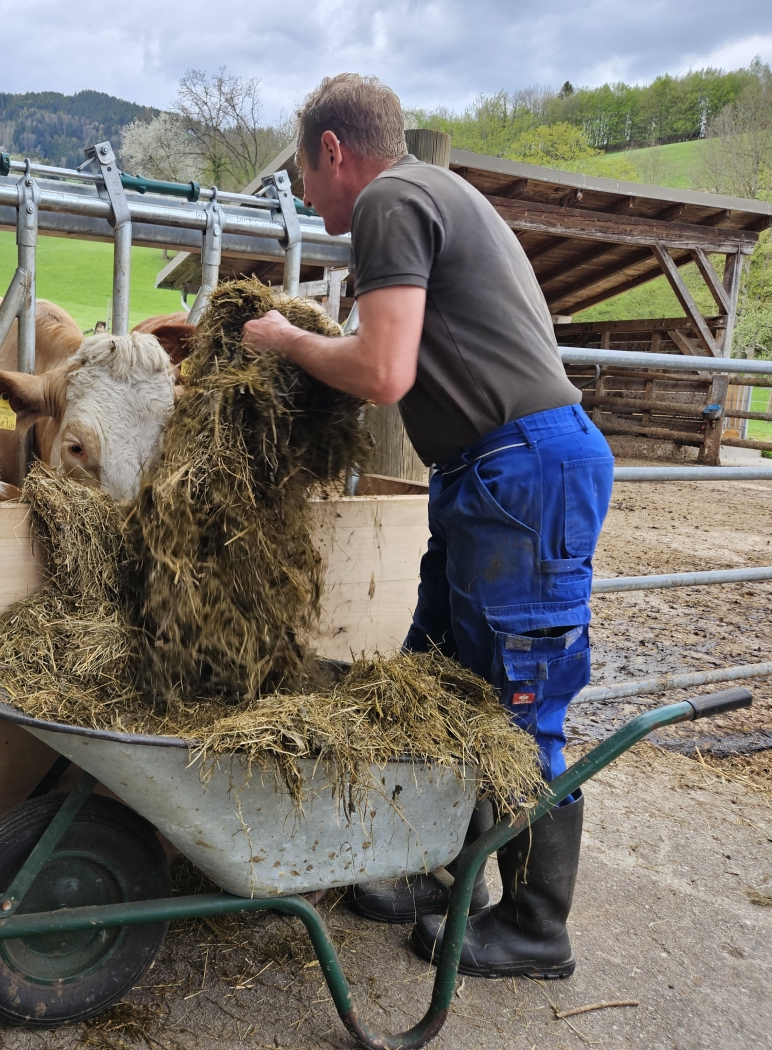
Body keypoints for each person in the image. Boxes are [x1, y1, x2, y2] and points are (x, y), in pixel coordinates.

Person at [242, 74, 614, 980]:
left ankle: (534, 927)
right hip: (489, 471)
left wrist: (287, 343)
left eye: (300, 168)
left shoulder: (391, 199)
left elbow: (382, 370)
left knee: (520, 702)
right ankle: (447, 871)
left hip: (523, 471)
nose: (300, 188)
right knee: (441, 674)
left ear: (334, 150)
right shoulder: (436, 196)